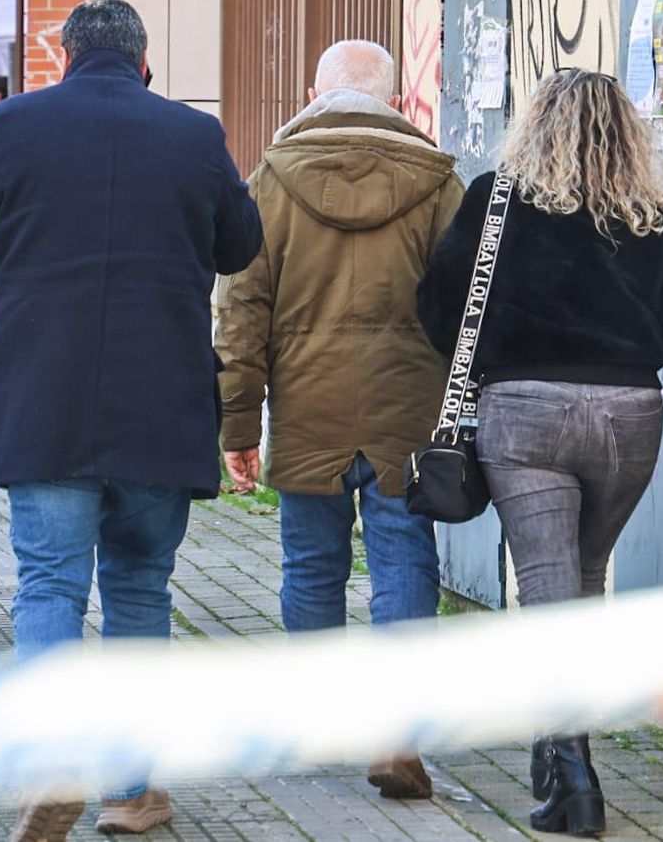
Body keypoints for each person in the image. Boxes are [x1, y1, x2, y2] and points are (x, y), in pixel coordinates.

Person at [0, 0, 262, 841]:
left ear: (66, 58)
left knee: (48, 584)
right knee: (139, 590)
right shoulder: (195, 136)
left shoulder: (12, 125)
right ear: (144, 59)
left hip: (42, 399)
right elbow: (241, 247)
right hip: (162, 404)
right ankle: (129, 789)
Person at [415, 68, 663, 838]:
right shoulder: (651, 214)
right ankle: (554, 749)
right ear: (626, 132)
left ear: (535, 126)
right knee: (581, 579)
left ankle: (574, 771)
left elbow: (437, 303)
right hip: (630, 417)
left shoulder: (497, 198)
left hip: (525, 415)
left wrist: (494, 358)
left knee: (547, 590)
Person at [213, 39, 462, 800]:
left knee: (312, 567)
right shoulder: (437, 182)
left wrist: (238, 425)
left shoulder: (272, 181)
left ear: (315, 93)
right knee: (404, 563)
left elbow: (241, 309)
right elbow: (464, 305)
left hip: (309, 406)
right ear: (394, 98)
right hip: (405, 409)